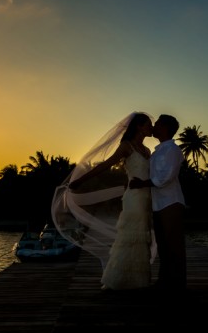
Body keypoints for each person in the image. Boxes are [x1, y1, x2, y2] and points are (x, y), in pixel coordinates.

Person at [51, 112, 156, 291]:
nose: (151, 127)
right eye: (147, 124)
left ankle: (138, 279)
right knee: (130, 236)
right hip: (134, 198)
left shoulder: (147, 151)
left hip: (147, 196)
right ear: (138, 126)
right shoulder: (126, 146)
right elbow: (105, 165)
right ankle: (119, 278)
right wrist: (81, 180)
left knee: (141, 237)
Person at [129, 114, 187, 293]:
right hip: (159, 204)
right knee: (163, 246)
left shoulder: (172, 150)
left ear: (166, 128)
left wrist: (142, 184)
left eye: (158, 124)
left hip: (170, 203)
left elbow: (165, 178)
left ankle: (177, 286)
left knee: (174, 246)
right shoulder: (158, 151)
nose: (154, 126)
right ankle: (164, 282)